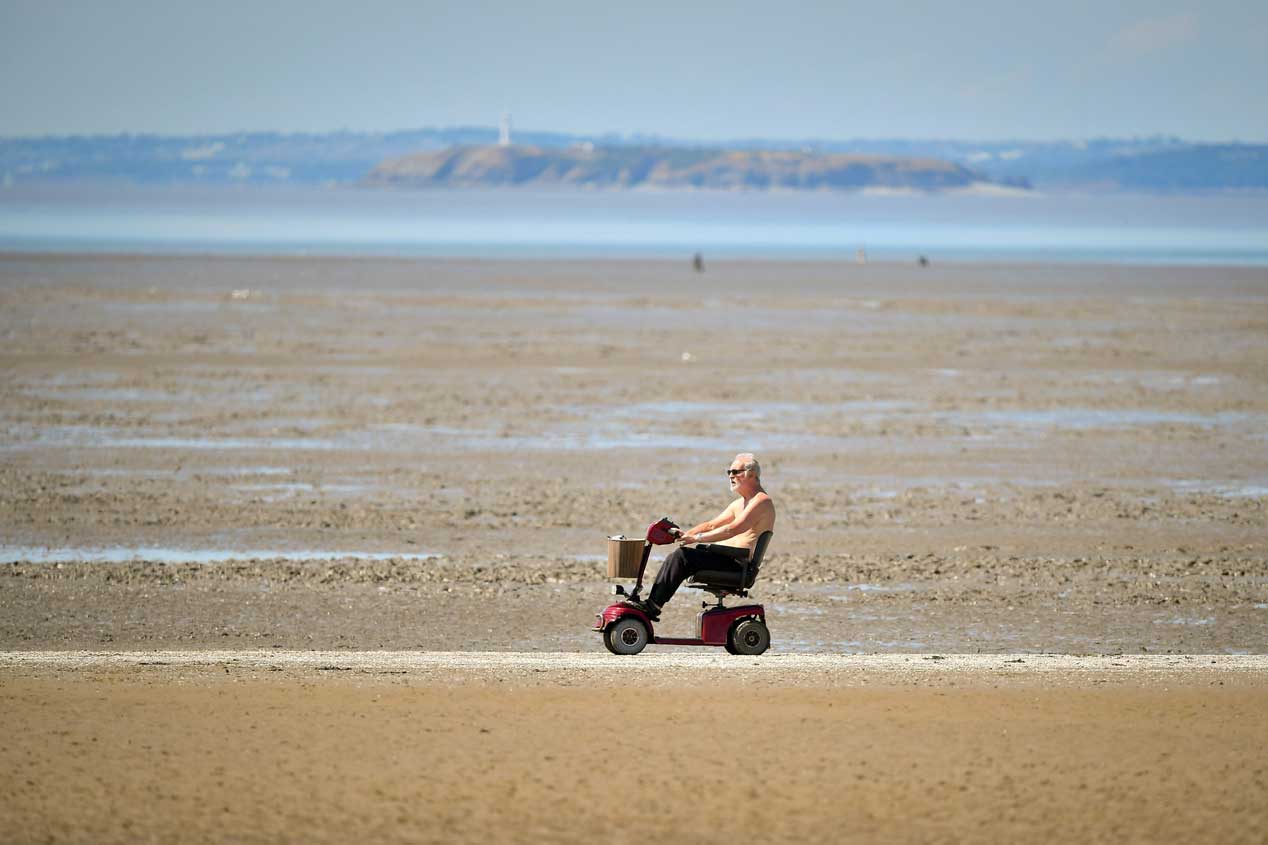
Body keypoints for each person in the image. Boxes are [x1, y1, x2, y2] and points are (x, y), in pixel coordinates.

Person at [631, 453, 775, 620]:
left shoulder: (761, 501)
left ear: (751, 474)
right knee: (680, 555)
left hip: (738, 564)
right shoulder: (740, 503)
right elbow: (711, 525)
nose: (730, 476)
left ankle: (652, 606)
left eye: (735, 472)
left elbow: (732, 529)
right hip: (726, 557)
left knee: (682, 556)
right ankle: (651, 603)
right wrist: (685, 535)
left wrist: (697, 539)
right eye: (729, 472)